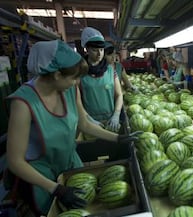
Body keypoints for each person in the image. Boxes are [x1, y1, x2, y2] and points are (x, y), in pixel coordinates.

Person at [5, 40, 138, 215]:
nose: (77, 83)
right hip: (41, 177)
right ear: (57, 75)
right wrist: (55, 189)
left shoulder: (69, 90)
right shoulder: (23, 103)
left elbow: (84, 124)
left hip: (70, 165)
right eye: (74, 78)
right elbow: (15, 162)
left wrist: (118, 138)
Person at [79, 27, 123, 132]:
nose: (99, 54)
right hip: (90, 122)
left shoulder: (110, 71)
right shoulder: (80, 72)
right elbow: (77, 101)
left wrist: (116, 114)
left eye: (102, 50)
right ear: (86, 49)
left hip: (110, 122)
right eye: (95, 50)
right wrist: (87, 118)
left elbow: (119, 95)